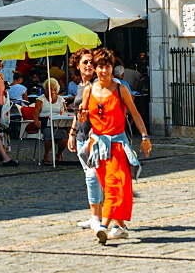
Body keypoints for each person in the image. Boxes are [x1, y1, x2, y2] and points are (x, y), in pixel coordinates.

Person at [79, 48, 151, 244]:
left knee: (114, 186)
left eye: (107, 66)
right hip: (97, 146)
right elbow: (83, 115)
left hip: (117, 145)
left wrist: (144, 136)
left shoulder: (121, 89)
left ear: (112, 68)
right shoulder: (88, 90)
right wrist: (81, 116)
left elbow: (135, 114)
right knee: (108, 185)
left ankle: (103, 225)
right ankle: (120, 227)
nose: (104, 71)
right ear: (95, 69)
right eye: (100, 67)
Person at [67, 49, 103, 230]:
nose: (89, 66)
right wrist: (72, 133)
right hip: (81, 136)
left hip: (95, 138)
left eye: (91, 63)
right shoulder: (80, 86)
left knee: (93, 177)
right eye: (85, 62)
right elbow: (78, 112)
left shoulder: (98, 85)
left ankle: (98, 217)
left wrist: (96, 130)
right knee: (92, 178)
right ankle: (97, 216)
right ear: (77, 65)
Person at [32, 78, 70, 164]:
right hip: (45, 121)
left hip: (58, 123)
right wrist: (36, 121)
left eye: (51, 88)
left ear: (56, 89)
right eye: (47, 88)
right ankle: (46, 155)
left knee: (64, 139)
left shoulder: (61, 99)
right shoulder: (41, 99)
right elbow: (36, 111)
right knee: (49, 135)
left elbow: (65, 111)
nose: (49, 91)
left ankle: (59, 154)